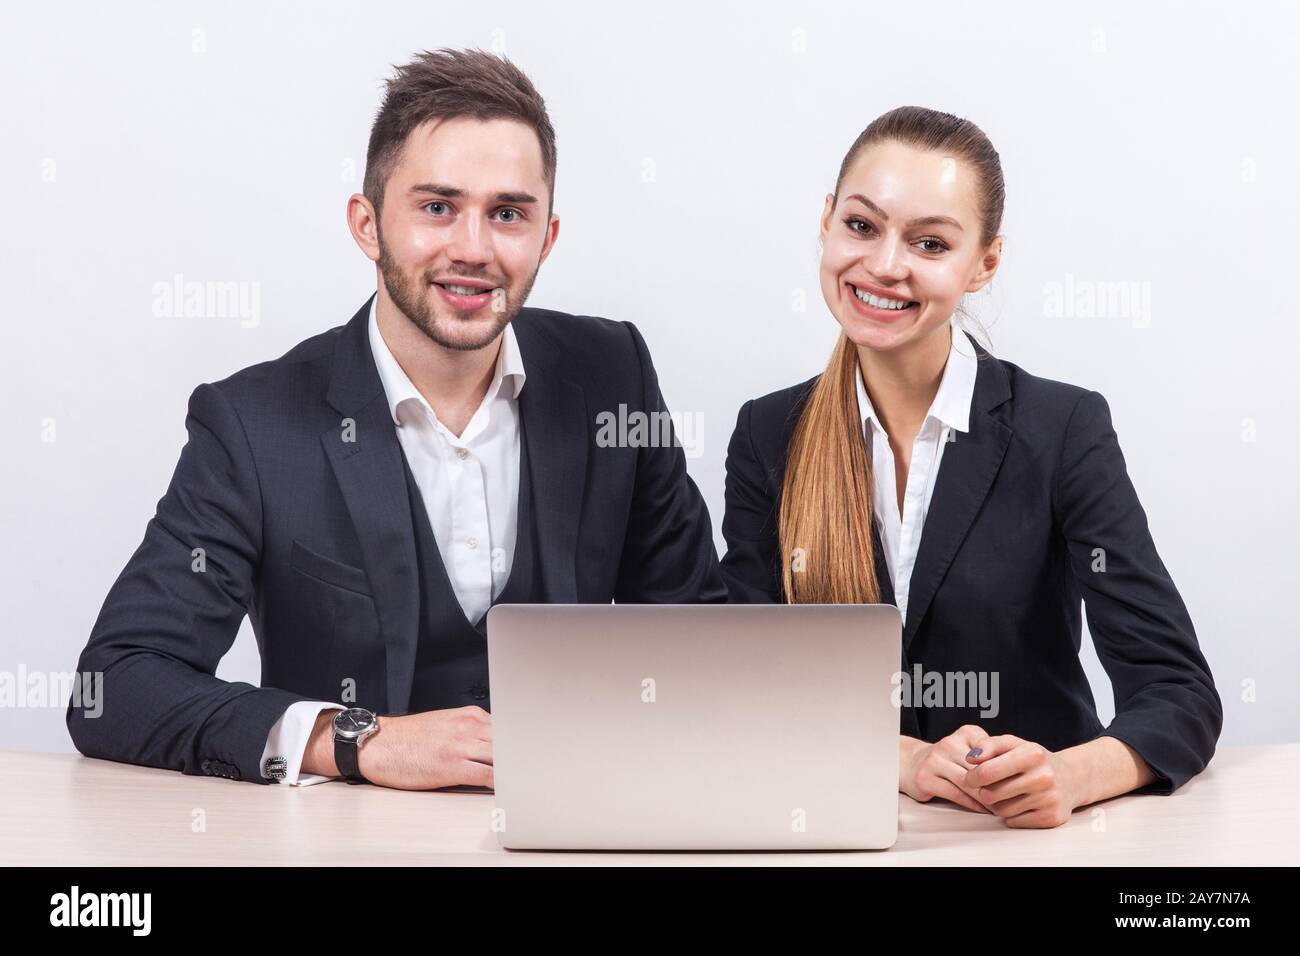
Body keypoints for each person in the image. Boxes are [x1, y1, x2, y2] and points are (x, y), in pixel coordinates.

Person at [67, 48, 725, 791]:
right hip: (349, 845)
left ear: (548, 236)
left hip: (573, 831)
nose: (473, 250)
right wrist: (356, 741)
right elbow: (116, 686)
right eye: (437, 207)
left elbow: (696, 642)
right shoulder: (253, 426)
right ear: (367, 223)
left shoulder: (613, 375)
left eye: (507, 214)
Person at [719, 106, 1221, 828]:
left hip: (1022, 840)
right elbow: (743, 683)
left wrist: (1072, 773)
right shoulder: (769, 434)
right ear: (826, 222)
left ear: (984, 265)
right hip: (842, 831)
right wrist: (906, 760)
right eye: (861, 226)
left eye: (929, 242)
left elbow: (1178, 690)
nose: (886, 265)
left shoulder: (1062, 430)